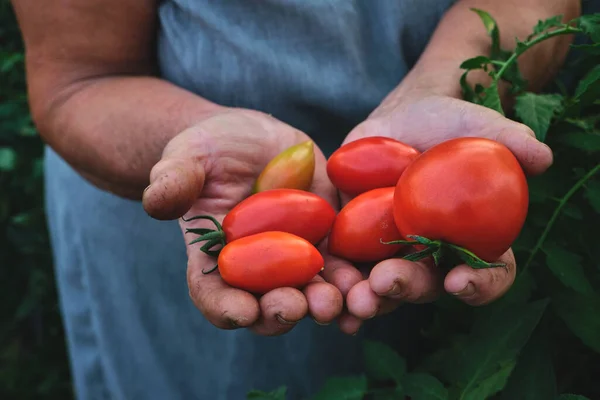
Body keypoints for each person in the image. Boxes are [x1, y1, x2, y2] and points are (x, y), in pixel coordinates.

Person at [12, 0, 582, 399]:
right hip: (188, 193)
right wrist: (201, 142)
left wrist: (445, 88)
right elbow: (77, 80)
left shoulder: (412, 197)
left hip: (409, 192)